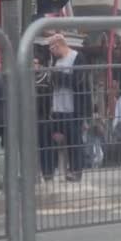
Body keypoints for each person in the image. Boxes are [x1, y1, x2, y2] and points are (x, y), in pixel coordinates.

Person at [48, 34, 91, 182]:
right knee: (58, 140)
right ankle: (58, 171)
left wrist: (59, 77)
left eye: (52, 48)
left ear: (58, 45)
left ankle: (76, 170)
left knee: (75, 141)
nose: (51, 52)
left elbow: (78, 81)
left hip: (73, 108)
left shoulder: (77, 58)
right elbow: (52, 81)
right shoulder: (56, 61)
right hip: (58, 107)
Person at [34, 55, 55, 180]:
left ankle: (48, 173)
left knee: (45, 146)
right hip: (30, 119)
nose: (34, 65)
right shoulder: (25, 78)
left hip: (44, 117)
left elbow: (51, 97)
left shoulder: (47, 78)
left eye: (36, 62)